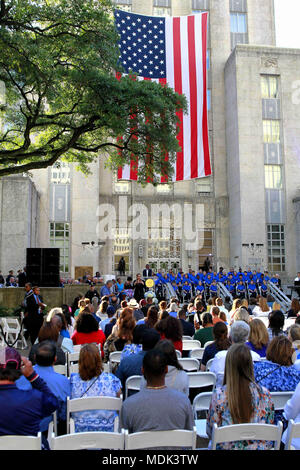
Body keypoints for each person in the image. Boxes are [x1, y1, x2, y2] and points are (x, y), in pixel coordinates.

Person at [206, 343, 275, 450]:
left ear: (228, 366)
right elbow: (269, 426)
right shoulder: (265, 394)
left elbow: (211, 431)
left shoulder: (219, 395)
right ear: (250, 365)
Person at [120, 349, 194, 436]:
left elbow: (123, 441)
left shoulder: (128, 405)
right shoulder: (183, 401)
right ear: (166, 369)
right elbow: (190, 435)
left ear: (142, 370)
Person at [0, 347, 58, 438]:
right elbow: (53, 403)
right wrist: (33, 376)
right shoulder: (33, 398)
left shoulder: (34, 398)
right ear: (19, 369)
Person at [18, 341, 70, 438]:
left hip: (21, 427)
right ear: (55, 359)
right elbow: (64, 412)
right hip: (48, 429)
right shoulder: (63, 381)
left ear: (34, 357)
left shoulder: (19, 377)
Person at [70, 343, 122, 432]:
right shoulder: (112, 380)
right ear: (99, 360)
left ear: (80, 362)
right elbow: (119, 403)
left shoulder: (72, 381)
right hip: (109, 431)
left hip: (80, 431)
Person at [209, 321, 261, 387]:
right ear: (247, 337)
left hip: (223, 394)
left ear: (230, 337)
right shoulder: (255, 357)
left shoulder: (220, 356)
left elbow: (211, 378)